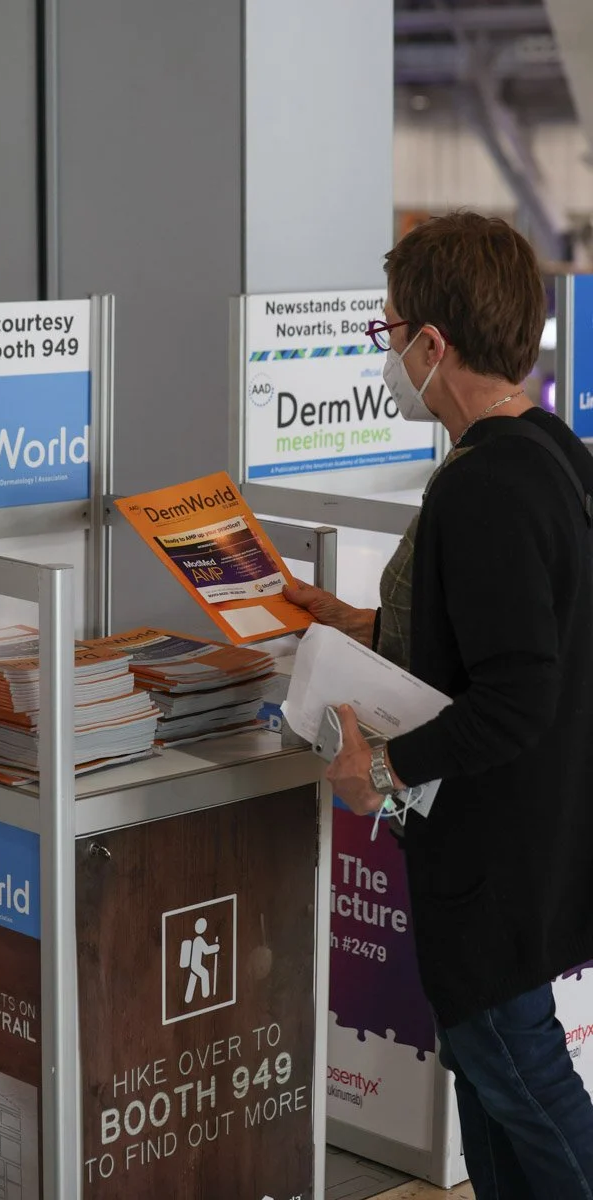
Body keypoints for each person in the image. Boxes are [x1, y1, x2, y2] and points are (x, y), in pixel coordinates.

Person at [285, 212, 593, 1199]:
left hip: (492, 858)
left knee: (524, 1084)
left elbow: (515, 694)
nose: (385, 356)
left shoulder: (483, 488)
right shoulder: (551, 455)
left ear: (432, 344)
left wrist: (372, 771)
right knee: (491, 1089)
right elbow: (502, 634)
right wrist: (351, 620)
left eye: (387, 334)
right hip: (540, 843)